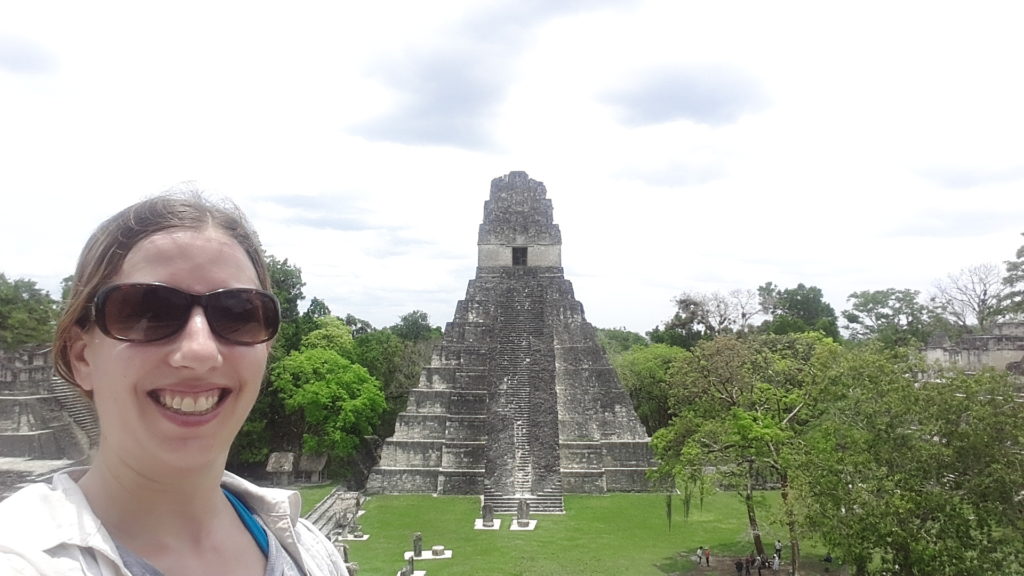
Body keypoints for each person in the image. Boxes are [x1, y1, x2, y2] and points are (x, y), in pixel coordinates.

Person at [0, 190, 348, 575]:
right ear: (81, 356)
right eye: (149, 311)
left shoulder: (309, 550)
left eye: (238, 314)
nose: (199, 350)